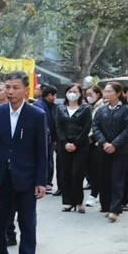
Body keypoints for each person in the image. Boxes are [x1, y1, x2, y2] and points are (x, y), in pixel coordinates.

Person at [0, 71, 48, 254]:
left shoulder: (36, 115)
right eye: (8, 87)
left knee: (27, 225)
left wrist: (41, 181)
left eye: (15, 88)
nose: (10, 92)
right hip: (1, 178)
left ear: (25, 90)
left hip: (27, 179)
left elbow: (42, 151)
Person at [91, 82, 128, 223]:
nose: (106, 94)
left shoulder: (126, 110)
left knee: (117, 179)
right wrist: (104, 143)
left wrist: (114, 144)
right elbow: (95, 127)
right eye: (105, 91)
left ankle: (115, 209)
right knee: (104, 178)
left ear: (118, 93)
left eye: (109, 91)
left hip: (120, 151)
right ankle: (106, 206)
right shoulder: (101, 110)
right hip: (103, 149)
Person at [55, 83, 92, 213]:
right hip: (64, 145)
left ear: (80, 94)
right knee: (65, 174)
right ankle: (68, 201)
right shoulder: (60, 108)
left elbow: (87, 127)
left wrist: (75, 143)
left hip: (80, 146)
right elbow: (58, 127)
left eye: (75, 91)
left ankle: (79, 201)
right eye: (70, 91)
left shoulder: (85, 109)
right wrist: (65, 142)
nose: (72, 94)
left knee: (77, 174)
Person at [34, 85, 59, 195]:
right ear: (49, 95)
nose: (55, 97)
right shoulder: (39, 105)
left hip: (52, 138)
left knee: (50, 160)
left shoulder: (53, 106)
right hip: (45, 138)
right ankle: (44, 182)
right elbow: (43, 123)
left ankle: (48, 182)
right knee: (45, 159)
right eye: (54, 95)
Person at [84, 85, 105, 209]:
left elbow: (96, 125)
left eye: (91, 94)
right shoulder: (89, 107)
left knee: (97, 170)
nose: (88, 97)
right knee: (91, 169)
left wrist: (91, 136)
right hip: (88, 142)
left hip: (97, 142)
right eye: (87, 94)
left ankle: (94, 195)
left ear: (98, 94)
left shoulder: (101, 107)